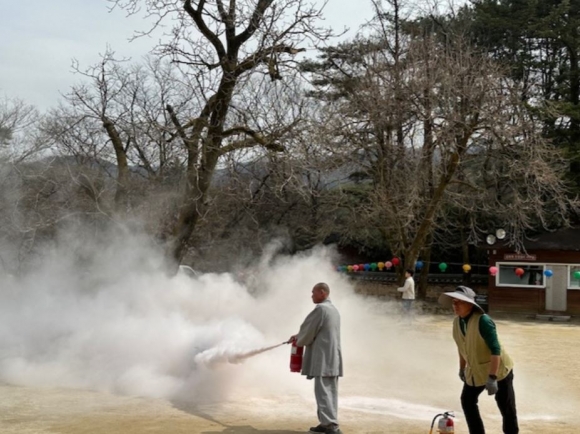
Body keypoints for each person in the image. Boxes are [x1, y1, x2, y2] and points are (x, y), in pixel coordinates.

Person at [438, 286, 518, 434]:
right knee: (467, 401)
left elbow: (495, 350)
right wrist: (462, 368)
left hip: (499, 370)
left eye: (459, 302)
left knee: (506, 406)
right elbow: (461, 346)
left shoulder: (483, 321)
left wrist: (492, 377)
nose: (455, 305)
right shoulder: (457, 322)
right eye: (454, 302)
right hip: (475, 370)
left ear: (470, 304)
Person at [290, 282, 343, 434]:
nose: (311, 295)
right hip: (332, 357)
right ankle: (325, 423)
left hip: (323, 358)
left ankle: (331, 425)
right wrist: (299, 336)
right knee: (328, 391)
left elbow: (308, 331)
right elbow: (316, 330)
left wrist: (299, 339)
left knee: (323, 391)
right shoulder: (333, 310)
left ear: (322, 293)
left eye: (313, 292)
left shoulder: (321, 309)